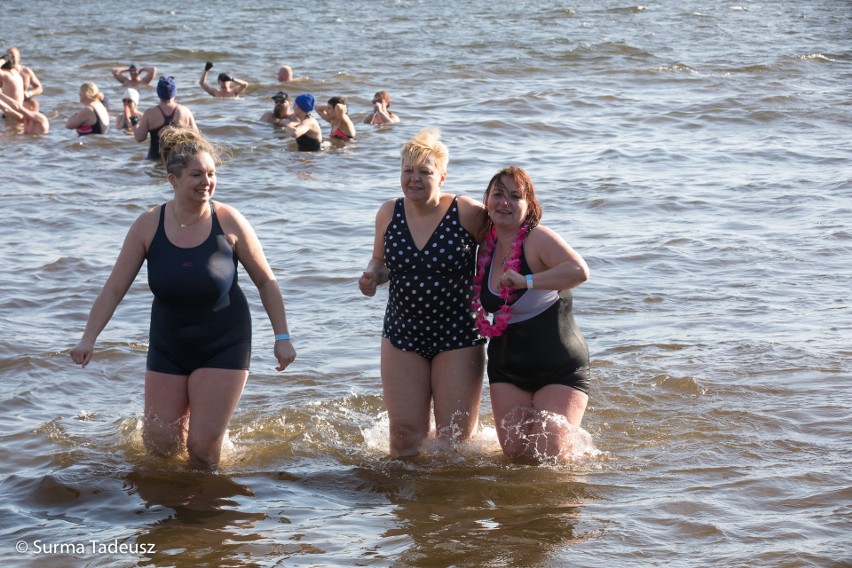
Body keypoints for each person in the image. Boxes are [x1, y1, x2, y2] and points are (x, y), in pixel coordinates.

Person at [69, 125, 297, 468]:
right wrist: (89, 338)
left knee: (201, 452)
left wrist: (282, 337)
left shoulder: (229, 220)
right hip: (169, 343)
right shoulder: (148, 224)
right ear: (172, 179)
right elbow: (114, 287)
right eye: (196, 175)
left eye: (211, 173)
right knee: (159, 448)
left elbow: (266, 281)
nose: (206, 182)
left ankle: (206, 515)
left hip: (224, 341)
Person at [358, 128, 487, 458]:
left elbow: (503, 248)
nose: (414, 179)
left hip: (458, 335)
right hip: (403, 333)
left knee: (454, 442)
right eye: (407, 171)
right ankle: (406, 508)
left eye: (424, 172)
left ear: (442, 176)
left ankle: (450, 508)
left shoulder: (466, 212)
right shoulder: (390, 212)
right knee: (403, 439)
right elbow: (381, 261)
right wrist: (372, 276)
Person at [471, 166, 590, 463]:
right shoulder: (486, 244)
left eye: (515, 196)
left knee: (549, 458)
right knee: (515, 456)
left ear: (530, 205)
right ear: (487, 200)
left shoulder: (537, 239)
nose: (505, 203)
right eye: (498, 194)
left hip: (559, 366)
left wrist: (527, 281)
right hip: (507, 368)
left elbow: (579, 271)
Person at [134, 76, 197, 160]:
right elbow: (196, 137)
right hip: (178, 160)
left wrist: (134, 123)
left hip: (155, 159)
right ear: (174, 92)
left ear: (158, 92)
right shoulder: (184, 111)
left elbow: (140, 138)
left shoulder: (150, 113)